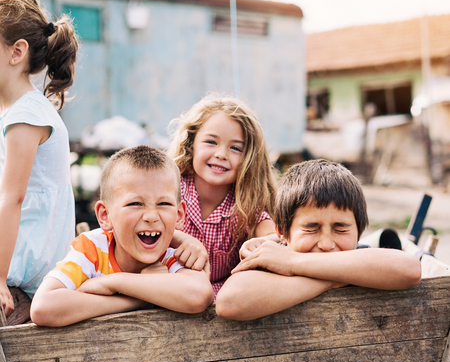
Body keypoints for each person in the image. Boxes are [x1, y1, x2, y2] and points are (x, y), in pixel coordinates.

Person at [215, 159, 422, 320]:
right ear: (282, 232)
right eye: (311, 229)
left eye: (340, 229)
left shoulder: (360, 257)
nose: (326, 244)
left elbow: (410, 269)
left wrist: (293, 263)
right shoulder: (274, 260)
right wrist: (333, 279)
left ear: (360, 232)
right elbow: (228, 303)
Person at [30, 146, 214, 326]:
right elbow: (42, 308)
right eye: (135, 203)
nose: (151, 216)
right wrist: (134, 300)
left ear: (179, 215)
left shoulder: (171, 255)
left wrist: (113, 283)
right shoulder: (92, 250)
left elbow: (200, 295)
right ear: (105, 215)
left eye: (164, 203)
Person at [0, 0, 79, 316]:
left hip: (27, 257)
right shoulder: (20, 110)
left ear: (16, 52)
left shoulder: (27, 115)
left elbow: (12, 199)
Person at [167, 93, 278, 296]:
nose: (221, 154)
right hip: (166, 292)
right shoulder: (170, 188)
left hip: (220, 301)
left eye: (235, 148)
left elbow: (273, 234)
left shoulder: (244, 204)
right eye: (211, 142)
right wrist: (182, 240)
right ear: (191, 145)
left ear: (249, 159)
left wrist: (264, 242)